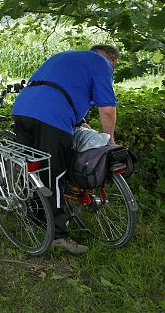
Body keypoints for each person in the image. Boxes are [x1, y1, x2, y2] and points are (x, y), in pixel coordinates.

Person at [11, 44, 120, 255]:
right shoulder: (101, 63)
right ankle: (58, 237)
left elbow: (62, 90)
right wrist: (110, 140)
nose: (113, 68)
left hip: (22, 109)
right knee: (55, 174)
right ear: (110, 57)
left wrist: (79, 121)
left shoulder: (67, 57)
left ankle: (34, 219)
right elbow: (107, 110)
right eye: (115, 63)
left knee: (33, 169)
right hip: (51, 118)